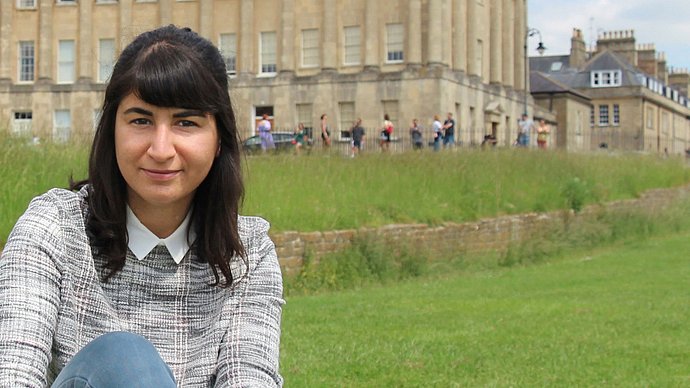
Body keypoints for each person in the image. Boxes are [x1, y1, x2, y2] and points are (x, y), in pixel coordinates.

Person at [0, 25, 284, 387]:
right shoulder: (53, 228)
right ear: (111, 129)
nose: (161, 149)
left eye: (186, 122)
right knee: (125, 360)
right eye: (141, 120)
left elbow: (249, 377)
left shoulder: (249, 252)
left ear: (218, 140)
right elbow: (12, 369)